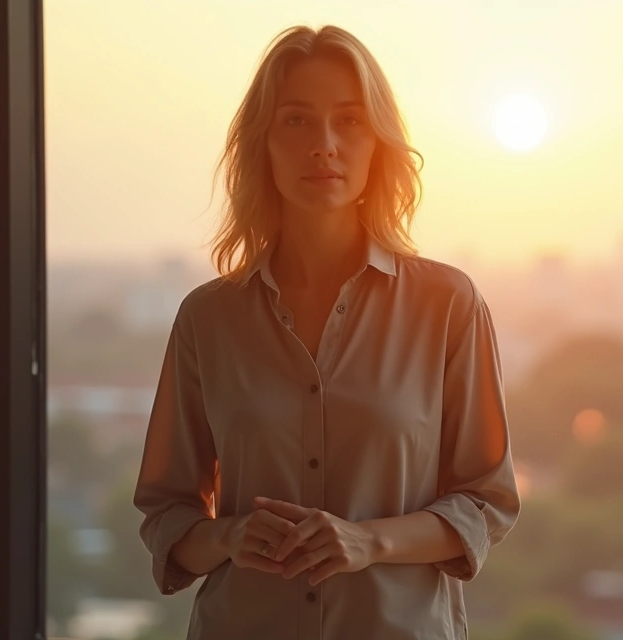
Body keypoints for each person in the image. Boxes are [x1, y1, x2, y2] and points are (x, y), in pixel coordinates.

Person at [133, 24, 520, 639]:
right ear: (262, 144)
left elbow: (485, 502)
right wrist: (228, 535)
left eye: (350, 121)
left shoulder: (448, 304)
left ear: (379, 145)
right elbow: (166, 516)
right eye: (296, 121)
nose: (325, 145)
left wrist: (369, 541)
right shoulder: (206, 319)